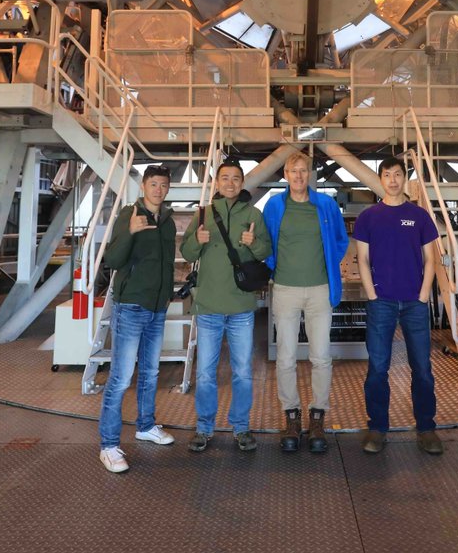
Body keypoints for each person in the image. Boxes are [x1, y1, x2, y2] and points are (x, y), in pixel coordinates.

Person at [353, 156, 444, 455]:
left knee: (422, 368)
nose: (392, 180)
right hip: (381, 303)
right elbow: (362, 259)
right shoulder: (368, 217)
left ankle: (426, 428)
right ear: (380, 179)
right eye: (387, 175)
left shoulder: (419, 216)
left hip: (414, 304)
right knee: (378, 369)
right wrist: (372, 295)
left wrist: (423, 295)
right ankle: (378, 428)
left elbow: (431, 259)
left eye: (397, 174)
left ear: (405, 178)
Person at [180, 158, 272, 453]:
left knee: (242, 372)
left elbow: (266, 251)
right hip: (208, 305)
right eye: (225, 178)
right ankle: (204, 427)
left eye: (235, 178)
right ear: (217, 183)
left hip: (241, 306)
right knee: (205, 373)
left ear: (242, 183)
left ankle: (241, 427)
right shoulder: (203, 214)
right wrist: (197, 240)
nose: (230, 183)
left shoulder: (253, 213)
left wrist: (252, 243)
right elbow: (187, 252)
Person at [262, 151, 349, 454]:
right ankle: (291, 416)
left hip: (320, 290)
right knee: (285, 357)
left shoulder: (325, 205)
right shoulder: (274, 206)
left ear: (310, 174)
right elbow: (265, 242)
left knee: (321, 356)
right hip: (285, 289)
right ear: (285, 175)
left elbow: (340, 241)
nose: (298, 176)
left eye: (303, 171)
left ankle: (317, 417)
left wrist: (326, 264)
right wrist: (273, 267)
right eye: (293, 171)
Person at [97, 165, 177, 474]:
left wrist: (167, 294)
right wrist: (130, 232)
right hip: (131, 306)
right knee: (120, 378)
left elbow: (167, 263)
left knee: (151, 372)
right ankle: (108, 446)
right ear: (143, 186)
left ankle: (145, 426)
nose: (158, 189)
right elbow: (113, 260)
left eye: (163, 185)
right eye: (153, 184)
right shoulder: (129, 215)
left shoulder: (167, 221)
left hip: (157, 307)